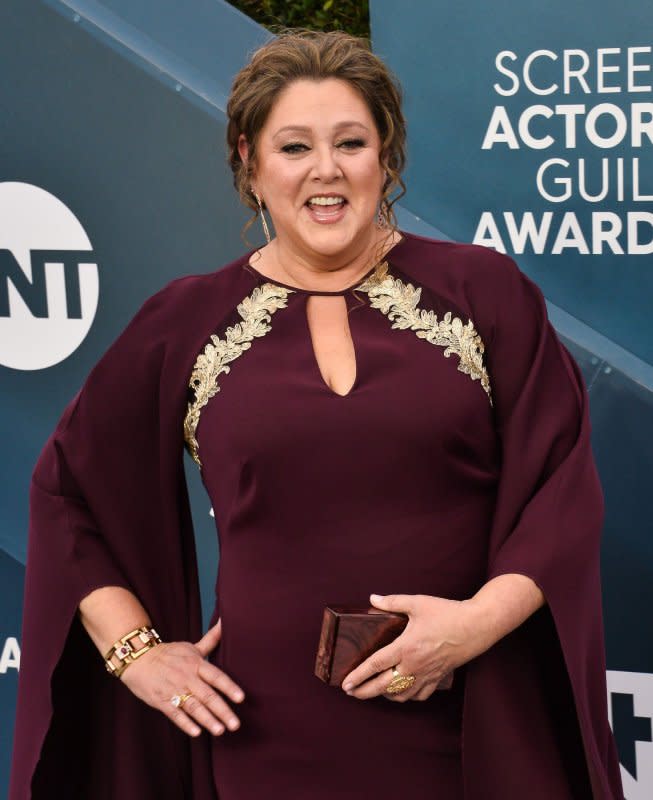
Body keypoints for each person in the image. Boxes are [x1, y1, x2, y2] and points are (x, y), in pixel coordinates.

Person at [10, 29, 623, 800]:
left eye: (351, 142)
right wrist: (137, 652)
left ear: (384, 157)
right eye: (294, 146)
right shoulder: (184, 319)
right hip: (265, 736)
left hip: (470, 719)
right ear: (249, 161)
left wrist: (469, 629)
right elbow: (66, 493)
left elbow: (561, 491)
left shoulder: (484, 292)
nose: (325, 170)